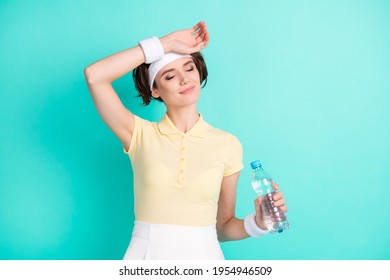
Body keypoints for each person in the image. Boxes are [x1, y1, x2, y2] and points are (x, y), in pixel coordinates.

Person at [84, 21, 288, 260]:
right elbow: (95, 76)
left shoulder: (228, 144)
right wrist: (164, 44)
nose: (184, 79)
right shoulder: (139, 134)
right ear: (155, 90)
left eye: (189, 68)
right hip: (146, 258)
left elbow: (222, 228)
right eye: (170, 76)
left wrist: (259, 223)